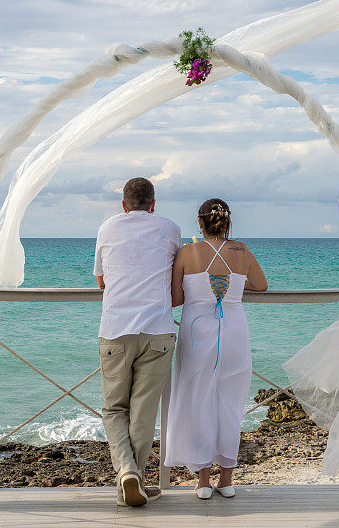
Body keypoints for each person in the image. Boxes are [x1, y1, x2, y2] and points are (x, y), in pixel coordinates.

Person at [165, 198, 268, 499]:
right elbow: (261, 284)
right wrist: (235, 285)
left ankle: (202, 481)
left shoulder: (187, 252)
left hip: (198, 334)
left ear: (200, 222)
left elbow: (175, 298)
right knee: (230, 403)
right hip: (235, 333)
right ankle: (227, 480)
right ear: (227, 221)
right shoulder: (242, 251)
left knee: (199, 400)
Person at [93, 177, 181, 507]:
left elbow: (101, 280)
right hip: (157, 329)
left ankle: (128, 474)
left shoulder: (107, 228)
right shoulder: (170, 228)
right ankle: (135, 479)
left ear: (123, 204)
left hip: (116, 328)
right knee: (143, 412)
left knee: (115, 408)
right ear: (153, 204)